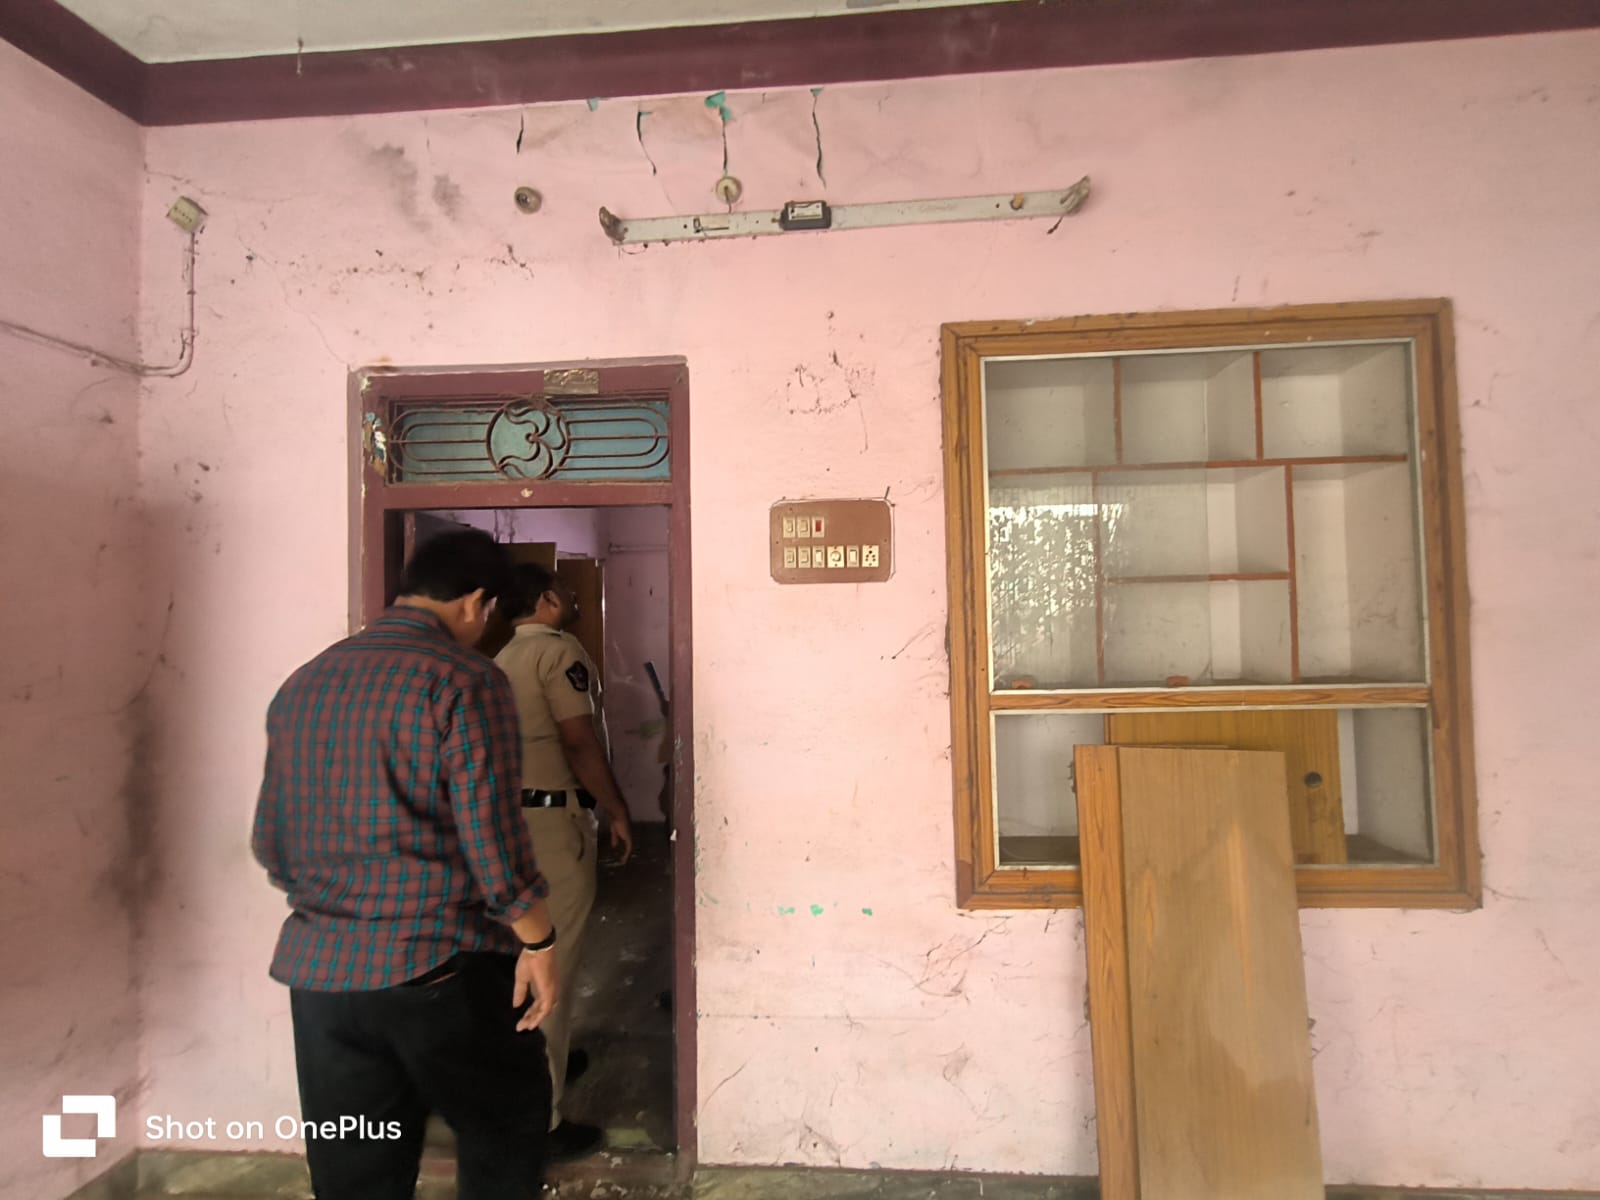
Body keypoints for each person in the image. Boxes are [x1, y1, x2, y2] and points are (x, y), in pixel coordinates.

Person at [251, 530, 561, 1200]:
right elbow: (495, 846)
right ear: (475, 602)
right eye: (488, 613)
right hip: (440, 964)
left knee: (356, 1171)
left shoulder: (304, 683)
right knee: (505, 1126)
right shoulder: (465, 680)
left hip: (321, 977)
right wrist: (539, 942)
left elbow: (270, 843)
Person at [494, 562, 635, 1160]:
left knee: (522, 958)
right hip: (553, 825)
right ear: (547, 601)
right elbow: (578, 741)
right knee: (553, 958)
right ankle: (542, 1120)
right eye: (567, 592)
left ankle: (541, 1064)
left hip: (511, 821)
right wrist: (618, 808)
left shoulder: (502, 659)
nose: (574, 599)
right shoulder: (557, 651)